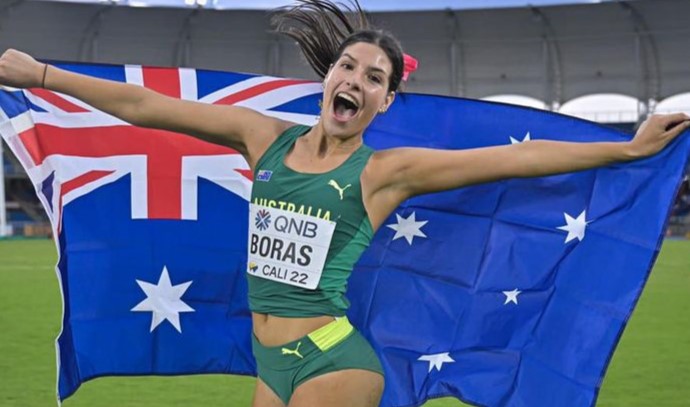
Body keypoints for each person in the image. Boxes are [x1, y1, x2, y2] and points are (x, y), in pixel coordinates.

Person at [0, 1, 688, 406]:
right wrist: (43, 76)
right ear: (328, 76)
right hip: (270, 362)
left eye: (374, 77)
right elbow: (149, 106)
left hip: (334, 359)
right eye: (349, 66)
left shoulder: (384, 173)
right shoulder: (262, 136)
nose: (355, 79)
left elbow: (515, 157)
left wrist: (626, 151)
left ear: (385, 101)